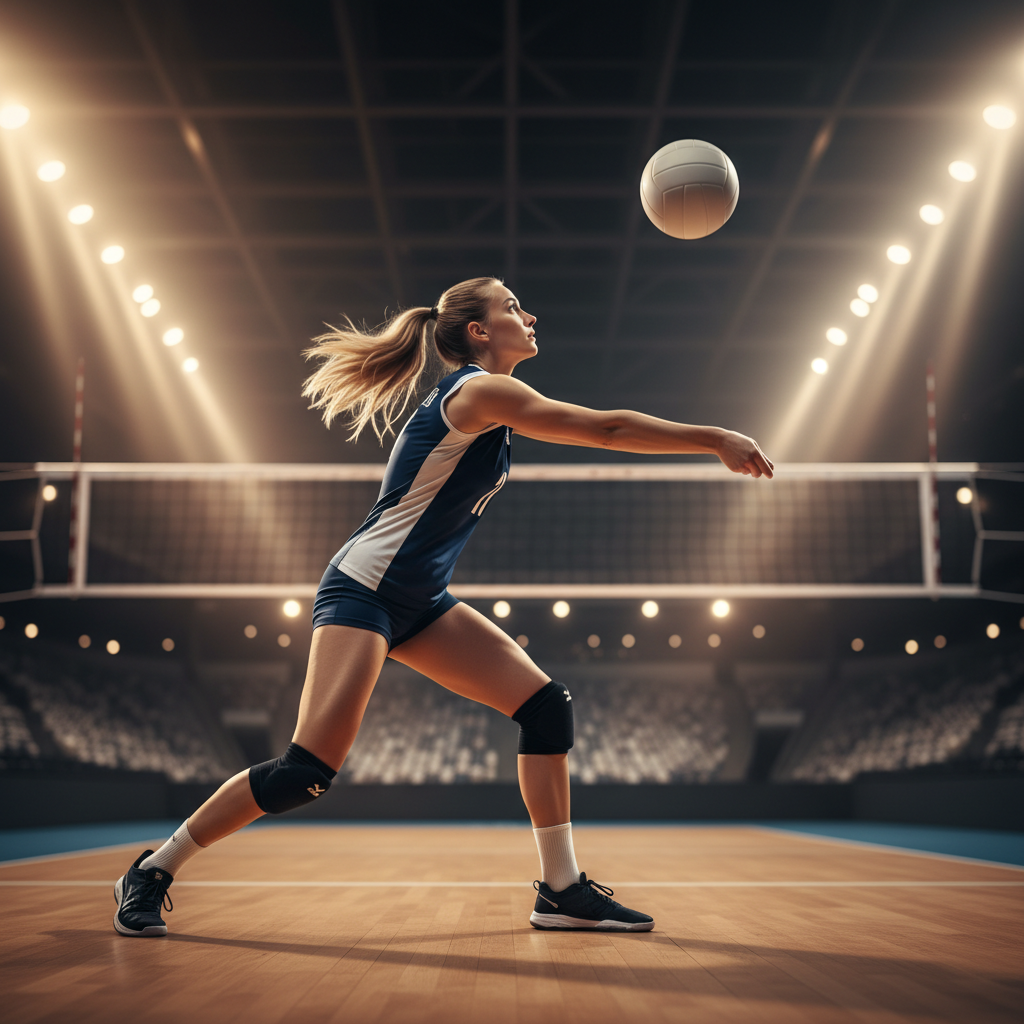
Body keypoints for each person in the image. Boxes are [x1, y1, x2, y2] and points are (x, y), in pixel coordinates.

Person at [112, 276, 773, 937]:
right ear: (479, 332)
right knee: (305, 773)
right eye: (513, 306)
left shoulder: (488, 400)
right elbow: (607, 429)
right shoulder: (479, 391)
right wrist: (715, 437)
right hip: (365, 589)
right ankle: (153, 869)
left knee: (546, 709)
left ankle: (561, 889)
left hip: (422, 601)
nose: (531, 315)